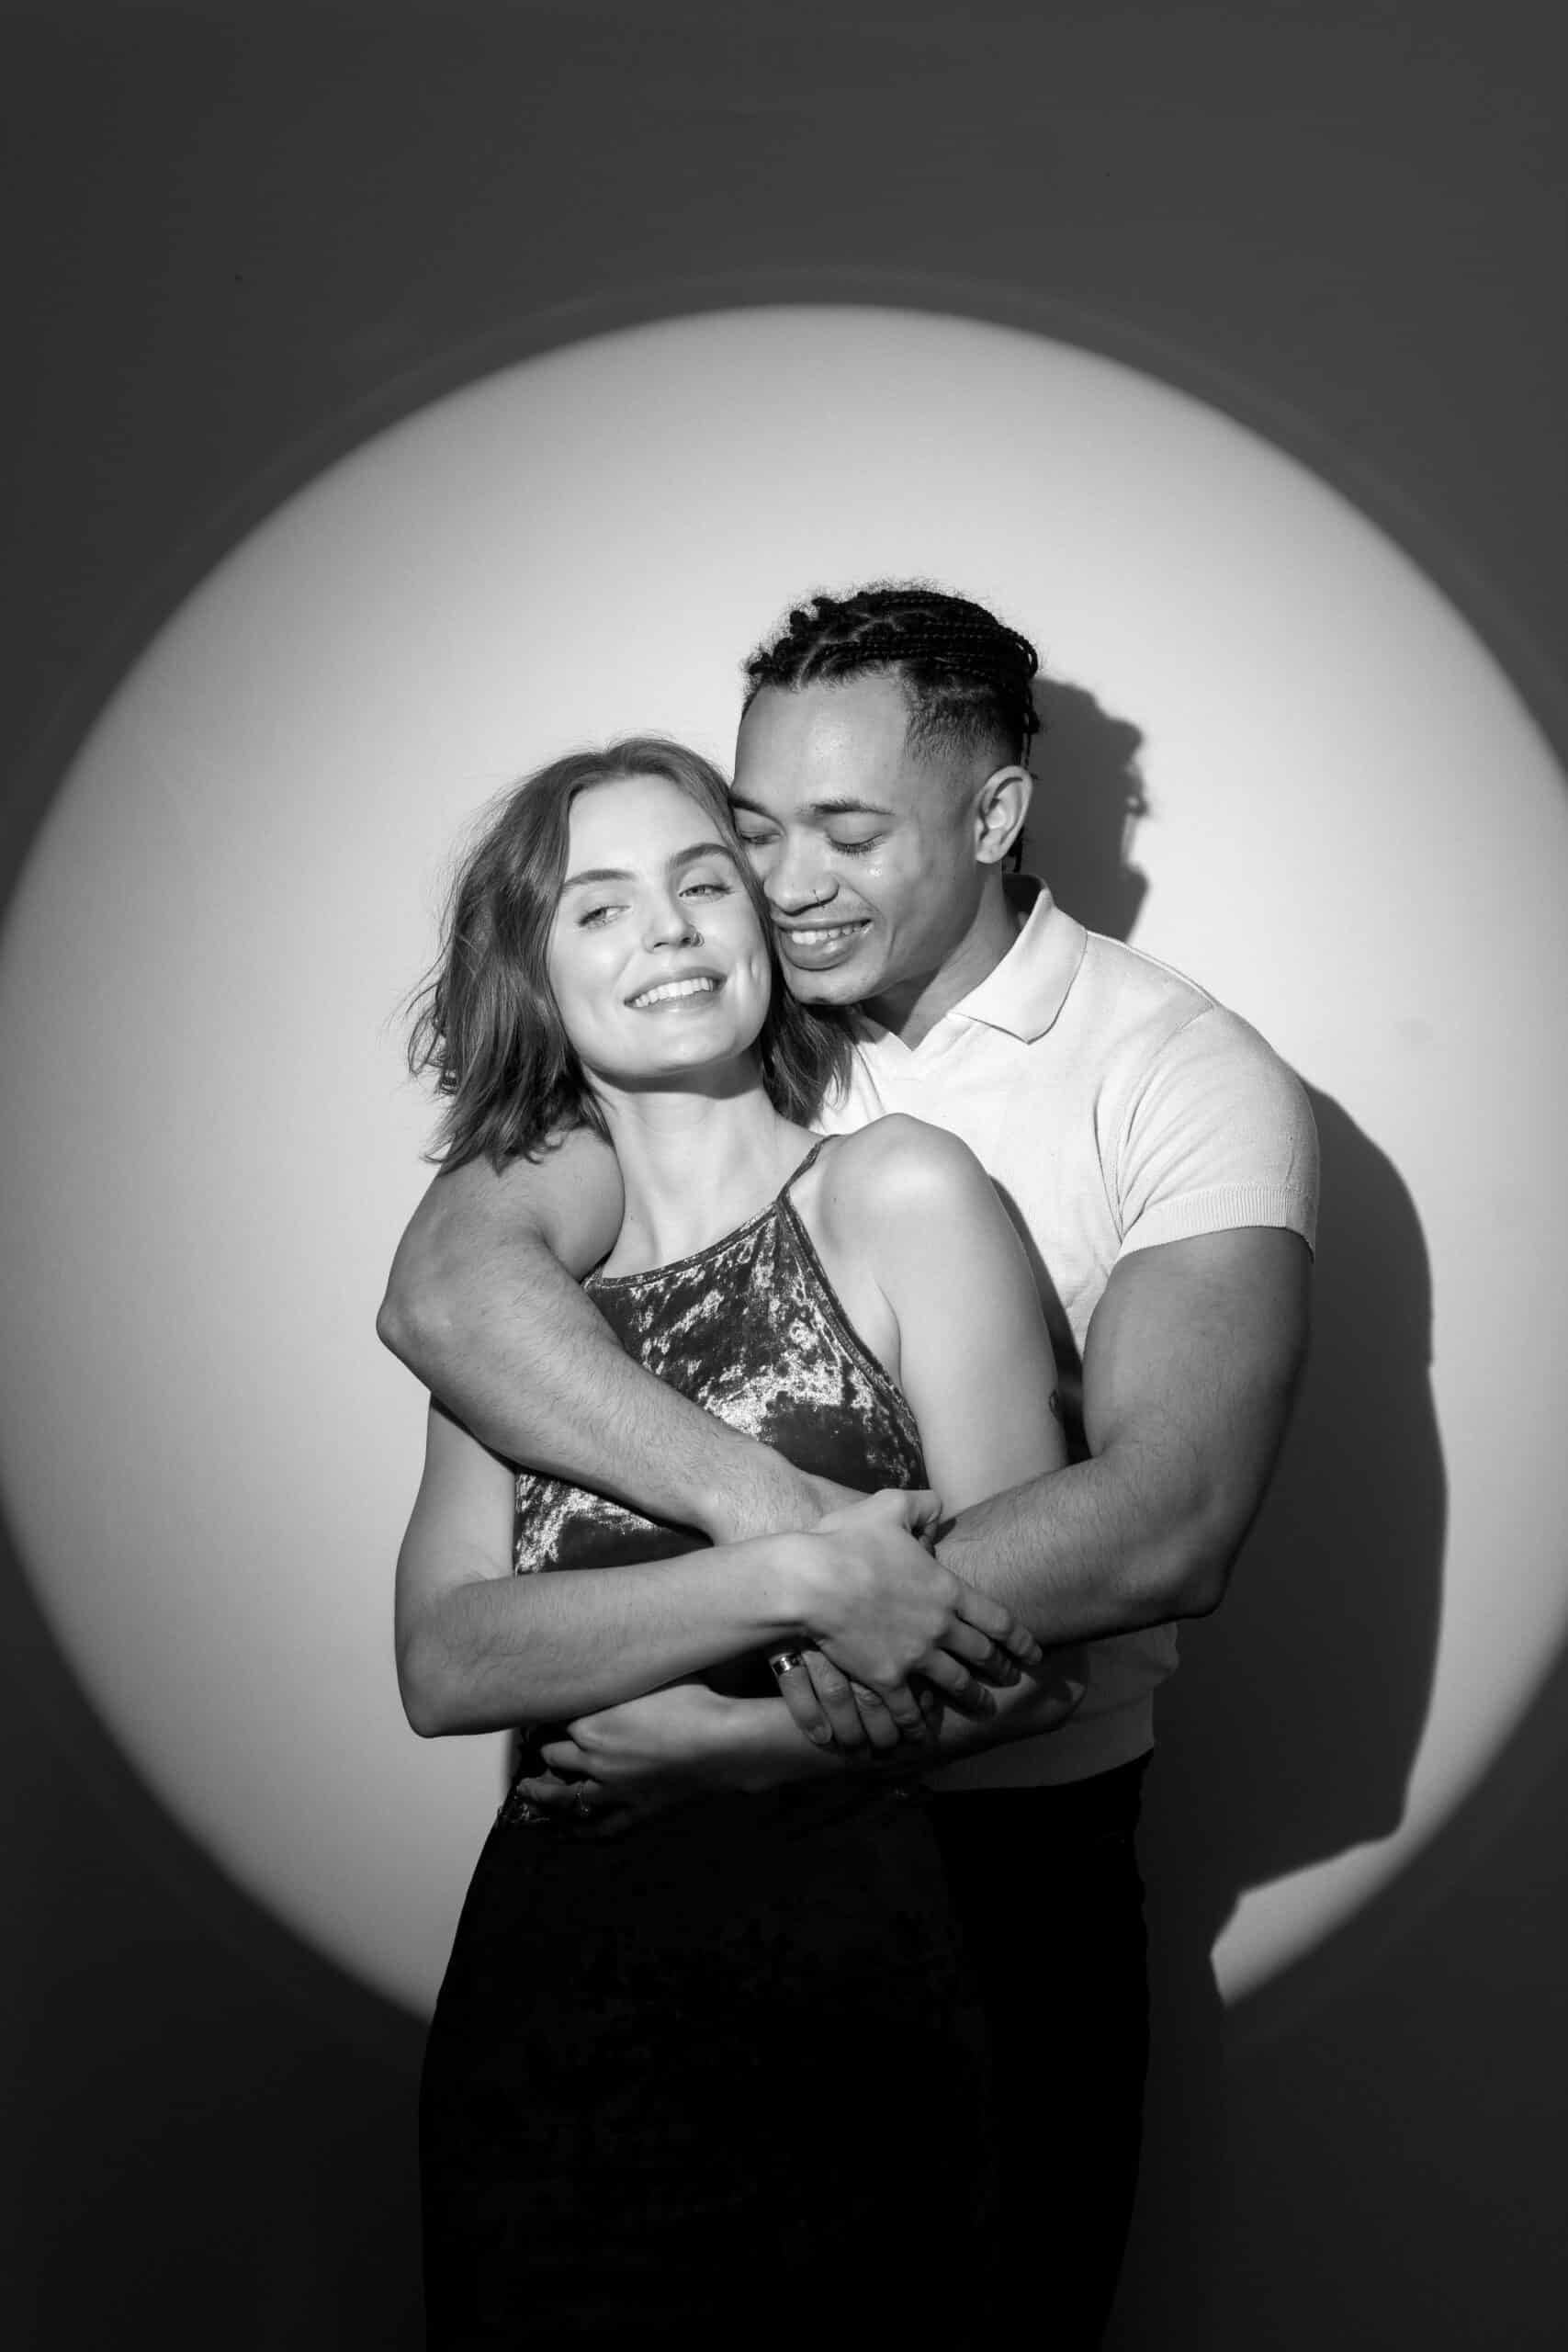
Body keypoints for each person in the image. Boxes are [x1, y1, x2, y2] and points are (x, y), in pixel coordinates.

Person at [381, 586, 1320, 2346]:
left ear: (994, 813)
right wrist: (795, 1546)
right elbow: (449, 1299)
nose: (783, 885)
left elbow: (1167, 1522)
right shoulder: (688, 1059)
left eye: (846, 832)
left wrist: (745, 1734)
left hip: (992, 1871)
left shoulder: (1169, 1075)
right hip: (596, 1918)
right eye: (756, 831)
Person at [396, 735, 1088, 2346]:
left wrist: (735, 1751)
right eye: (600, 908)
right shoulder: (525, 1315)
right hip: (550, 2012)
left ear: (765, 927)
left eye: (705, 883)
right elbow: (446, 1661)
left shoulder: (899, 1195)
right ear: (533, 977)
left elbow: (1034, 1669)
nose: (670, 930)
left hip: (855, 1993)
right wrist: (792, 1572)